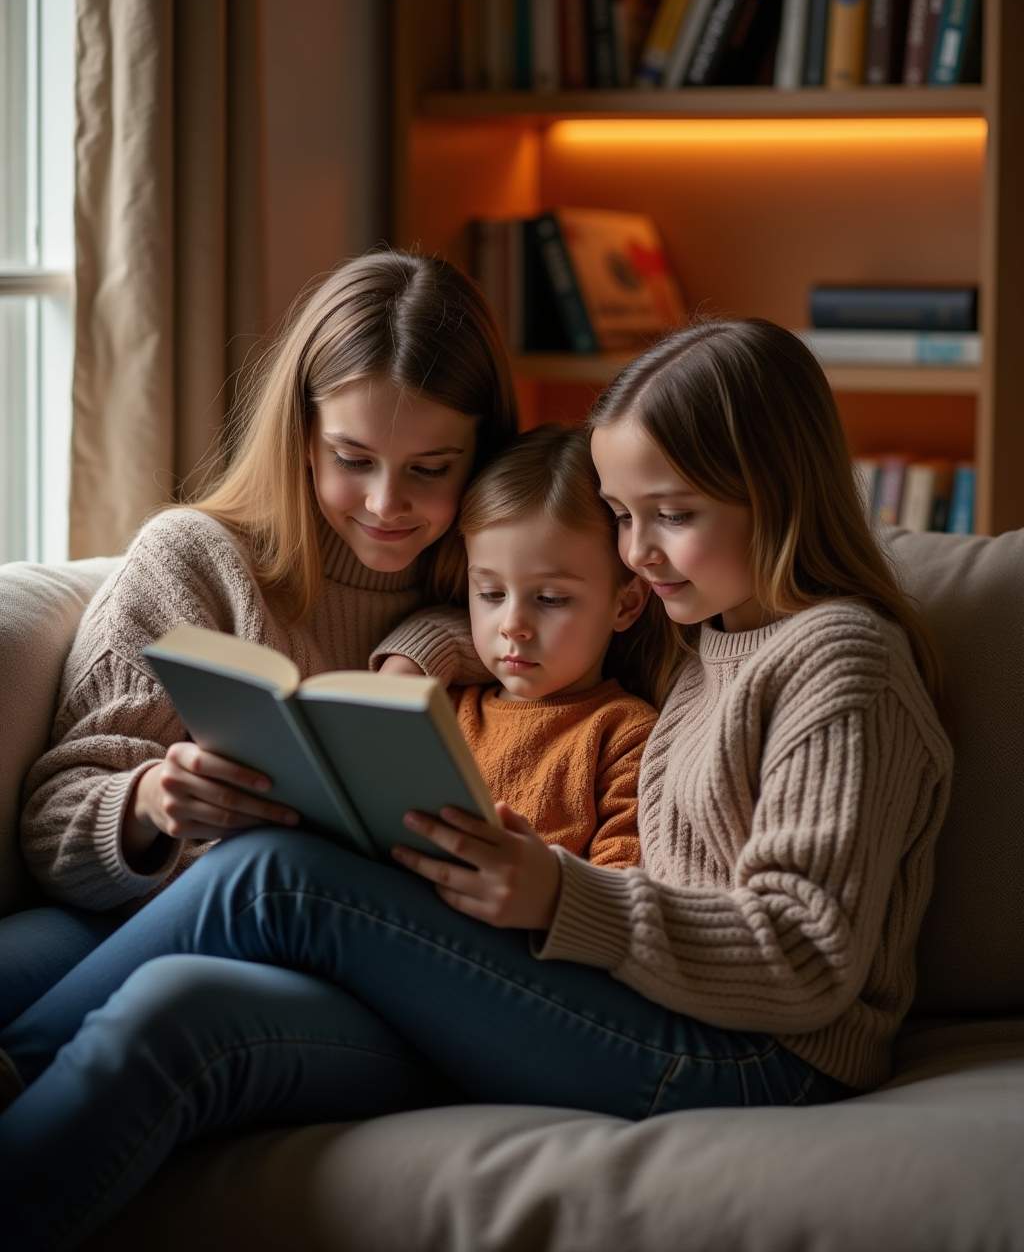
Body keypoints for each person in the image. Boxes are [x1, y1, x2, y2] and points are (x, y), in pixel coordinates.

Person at [0, 317, 954, 1252]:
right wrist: (423, 654)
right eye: (623, 517)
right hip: (653, 1007)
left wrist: (561, 895)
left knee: (275, 875)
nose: (638, 552)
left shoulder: (839, 659)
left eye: (672, 515)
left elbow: (806, 958)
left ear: (777, 493)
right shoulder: (709, 626)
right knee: (178, 1004)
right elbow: (527, 613)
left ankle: (15, 1068)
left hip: (754, 1058)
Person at [0, 246, 517, 1030]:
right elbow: (51, 831)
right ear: (302, 434)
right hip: (145, 915)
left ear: (481, 454)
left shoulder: (500, 591)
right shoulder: (195, 560)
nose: (386, 503)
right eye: (353, 459)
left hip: (353, 967)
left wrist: (434, 641)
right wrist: (151, 803)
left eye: (430, 469)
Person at [443, 423, 672, 869]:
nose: (513, 625)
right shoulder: (444, 713)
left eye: (550, 599)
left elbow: (620, 878)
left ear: (626, 604)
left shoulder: (624, 734)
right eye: (491, 593)